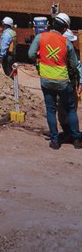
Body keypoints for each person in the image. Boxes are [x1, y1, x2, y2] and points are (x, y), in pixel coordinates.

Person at [28, 12, 82, 150]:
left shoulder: (40, 37)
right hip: (63, 81)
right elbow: (74, 64)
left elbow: (31, 54)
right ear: (64, 28)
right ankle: (76, 140)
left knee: (51, 110)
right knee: (70, 110)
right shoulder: (66, 43)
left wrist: (41, 59)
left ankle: (55, 141)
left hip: (46, 80)